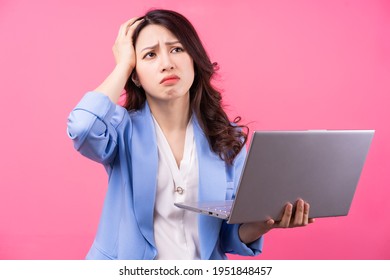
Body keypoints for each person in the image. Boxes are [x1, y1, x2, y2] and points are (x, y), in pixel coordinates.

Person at [67, 9, 314, 260]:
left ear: (194, 60)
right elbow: (83, 127)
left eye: (177, 49)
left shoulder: (228, 139)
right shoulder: (120, 130)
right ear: (136, 76)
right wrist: (123, 65)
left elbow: (229, 234)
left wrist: (267, 222)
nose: (167, 64)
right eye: (150, 55)